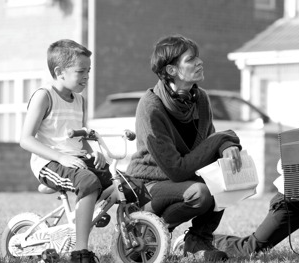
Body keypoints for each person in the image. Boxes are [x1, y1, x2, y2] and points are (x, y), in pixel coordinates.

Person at [125, 34, 243, 261]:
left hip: (181, 180)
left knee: (225, 181)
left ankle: (198, 241)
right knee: (201, 193)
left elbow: (209, 142)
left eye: (198, 58)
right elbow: (175, 169)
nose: (200, 62)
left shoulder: (200, 99)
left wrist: (226, 145)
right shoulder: (151, 107)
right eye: (191, 59)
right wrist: (221, 139)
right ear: (171, 71)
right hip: (149, 185)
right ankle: (149, 231)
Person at [20, 39, 111, 263]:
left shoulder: (80, 100)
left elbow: (80, 136)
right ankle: (80, 251)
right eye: (81, 71)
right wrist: (61, 156)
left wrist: (93, 151)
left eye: (88, 71)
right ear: (60, 72)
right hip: (49, 162)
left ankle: (88, 212)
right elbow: (25, 139)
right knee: (88, 183)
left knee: (117, 182)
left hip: (75, 160)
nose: (87, 77)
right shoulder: (44, 96)